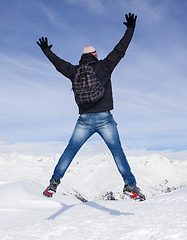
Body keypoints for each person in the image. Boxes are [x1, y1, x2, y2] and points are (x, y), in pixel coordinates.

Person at [36, 13, 145, 201]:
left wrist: (46, 51)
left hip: (84, 120)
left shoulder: (74, 72)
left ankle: (54, 183)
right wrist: (130, 29)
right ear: (95, 56)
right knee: (117, 151)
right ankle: (130, 185)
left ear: (82, 57)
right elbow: (119, 51)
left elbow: (58, 64)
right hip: (104, 118)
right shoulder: (104, 67)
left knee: (70, 151)